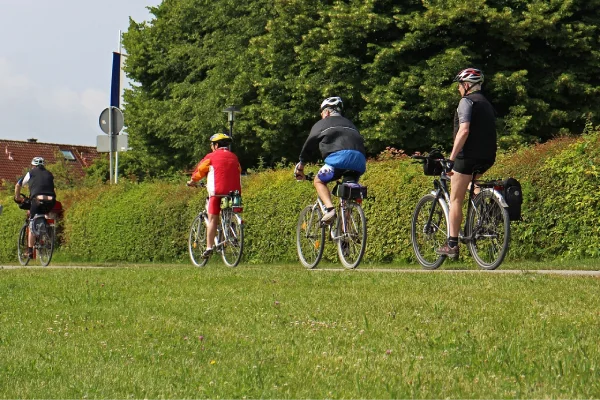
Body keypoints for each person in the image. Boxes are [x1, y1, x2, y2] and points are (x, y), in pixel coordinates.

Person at [436, 68, 497, 258]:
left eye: (459, 85)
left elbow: (464, 130)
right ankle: (486, 208)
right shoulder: (487, 104)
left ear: (467, 85)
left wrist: (451, 159)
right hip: (487, 156)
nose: (458, 89)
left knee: (455, 199)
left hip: (466, 157)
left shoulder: (466, 101)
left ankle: (452, 244)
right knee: (471, 183)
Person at [294, 96, 367, 223]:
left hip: (338, 159)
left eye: (322, 113)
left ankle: (330, 210)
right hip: (359, 161)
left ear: (326, 112)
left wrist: (301, 165)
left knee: (319, 181)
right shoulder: (350, 124)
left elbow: (309, 145)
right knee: (348, 194)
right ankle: (346, 234)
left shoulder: (323, 123)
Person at [187, 133, 242, 258]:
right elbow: (238, 170)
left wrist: (192, 181)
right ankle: (231, 229)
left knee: (212, 220)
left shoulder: (211, 157)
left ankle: (209, 247)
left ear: (216, 145)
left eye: (212, 145)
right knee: (228, 212)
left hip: (217, 192)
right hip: (234, 193)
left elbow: (200, 171)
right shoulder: (234, 157)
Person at [14, 157, 56, 259]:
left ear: (33, 165)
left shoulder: (30, 173)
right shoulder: (49, 174)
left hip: (37, 200)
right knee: (44, 214)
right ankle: (46, 233)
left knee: (32, 223)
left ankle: (29, 252)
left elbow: (18, 185)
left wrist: (17, 197)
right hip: (51, 200)